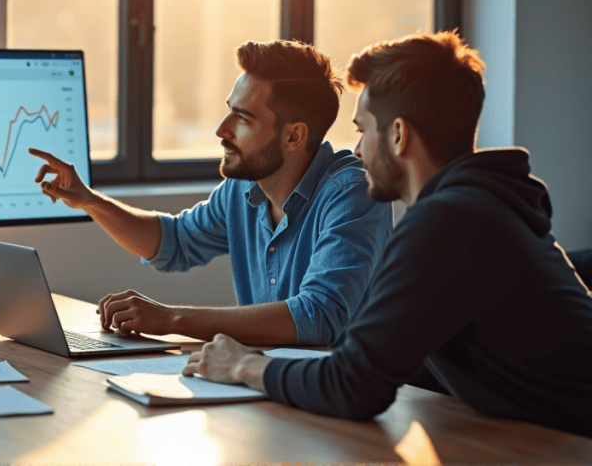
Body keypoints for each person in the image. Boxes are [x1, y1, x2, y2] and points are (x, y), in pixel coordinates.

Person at [184, 31, 592, 438]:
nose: (357, 152)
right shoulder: (476, 211)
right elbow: (387, 361)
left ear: (398, 135)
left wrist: (244, 365)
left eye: (363, 130)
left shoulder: (449, 222)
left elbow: (354, 386)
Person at [30, 39, 392, 346]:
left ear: (294, 136)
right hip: (269, 385)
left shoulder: (353, 192)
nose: (221, 130)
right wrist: (90, 200)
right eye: (228, 112)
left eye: (244, 119)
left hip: (345, 405)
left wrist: (171, 318)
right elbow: (174, 242)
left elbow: (319, 316)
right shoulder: (242, 189)